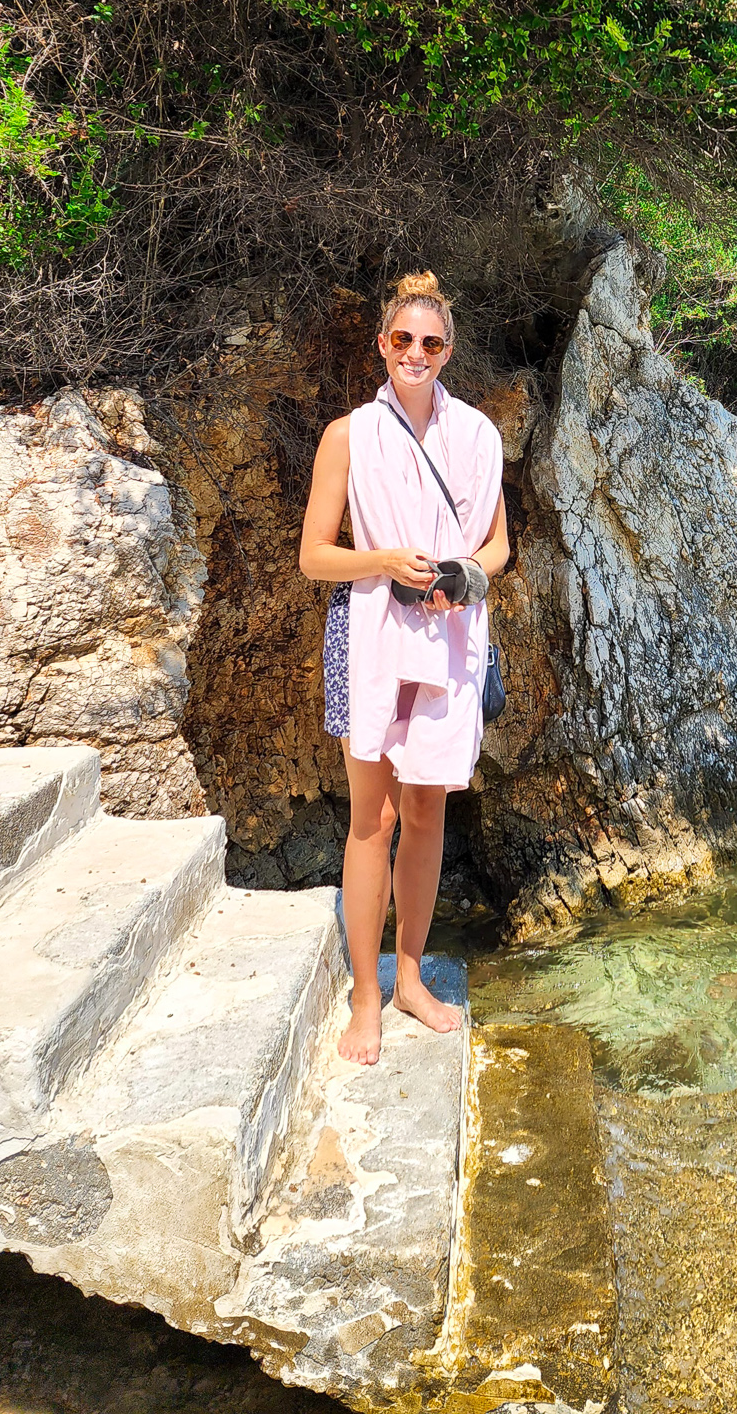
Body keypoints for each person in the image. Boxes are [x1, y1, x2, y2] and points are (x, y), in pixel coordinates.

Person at [299, 271, 508, 1062]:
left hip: (450, 638)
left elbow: (499, 544)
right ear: (381, 345)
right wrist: (383, 558)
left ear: (448, 352)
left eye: (430, 342)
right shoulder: (348, 435)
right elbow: (315, 557)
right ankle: (364, 995)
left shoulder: (479, 438)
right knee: (372, 819)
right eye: (401, 340)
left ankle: (411, 978)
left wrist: (465, 576)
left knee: (426, 815)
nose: (415, 353)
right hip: (372, 633)